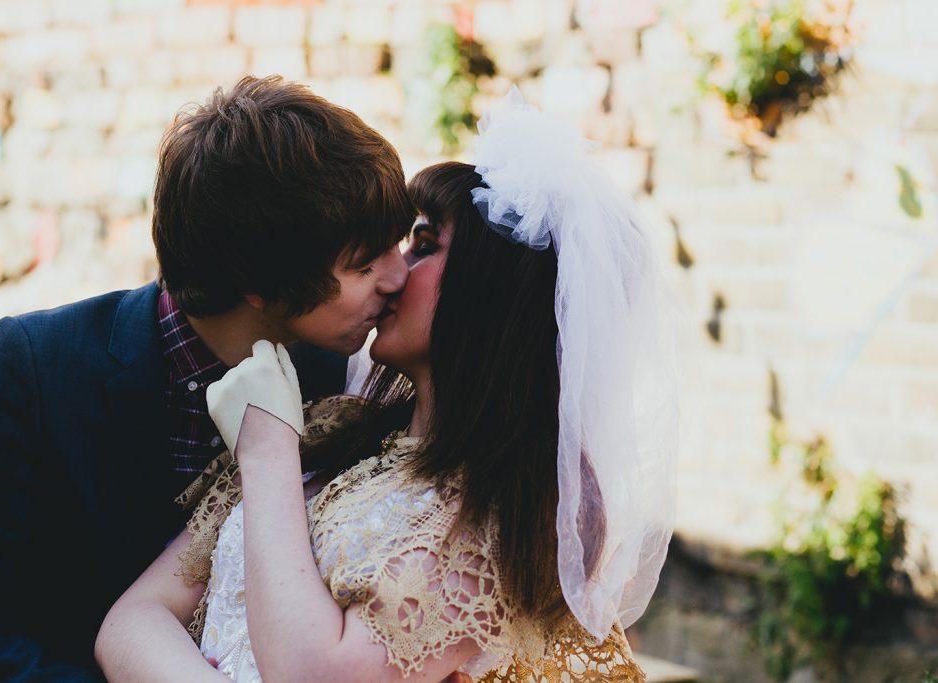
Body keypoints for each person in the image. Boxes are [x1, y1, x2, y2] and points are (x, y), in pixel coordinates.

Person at [95, 92, 678, 682]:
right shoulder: (332, 430)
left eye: (423, 247)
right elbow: (133, 620)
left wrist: (267, 450)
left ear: (489, 297)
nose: (395, 271)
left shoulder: (506, 515)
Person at [0, 75, 414, 681]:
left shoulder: (353, 381)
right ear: (258, 283)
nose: (397, 276)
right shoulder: (39, 367)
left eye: (399, 244)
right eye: (364, 263)